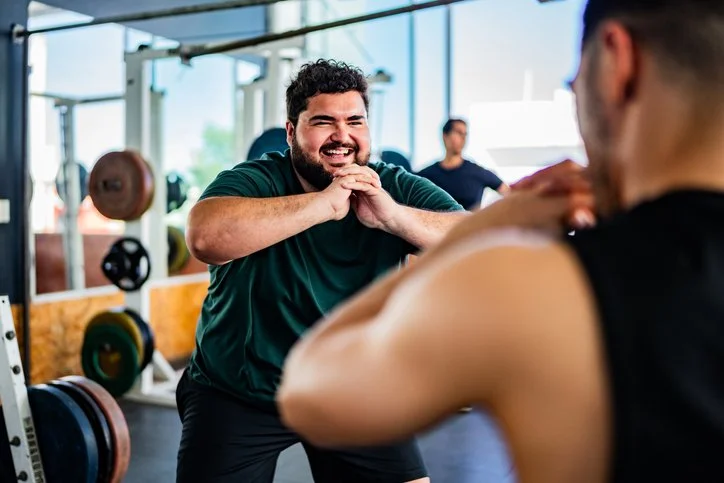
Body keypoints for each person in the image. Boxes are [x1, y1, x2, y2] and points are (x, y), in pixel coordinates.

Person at [277, 1, 724, 482]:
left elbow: (308, 391)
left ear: (619, 62)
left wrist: (482, 232)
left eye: (575, 83)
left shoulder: (538, 286)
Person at [177, 58, 467, 483]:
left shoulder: (391, 185)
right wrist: (323, 205)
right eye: (324, 122)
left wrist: (393, 218)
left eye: (355, 121)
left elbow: (480, 241)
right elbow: (205, 236)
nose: (342, 136)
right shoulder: (257, 180)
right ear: (292, 131)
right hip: (241, 391)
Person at [416, 118, 509, 210]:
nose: (463, 138)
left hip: (471, 224)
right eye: (459, 133)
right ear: (445, 136)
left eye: (465, 134)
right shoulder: (426, 175)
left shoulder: (477, 172)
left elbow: (508, 193)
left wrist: (485, 215)